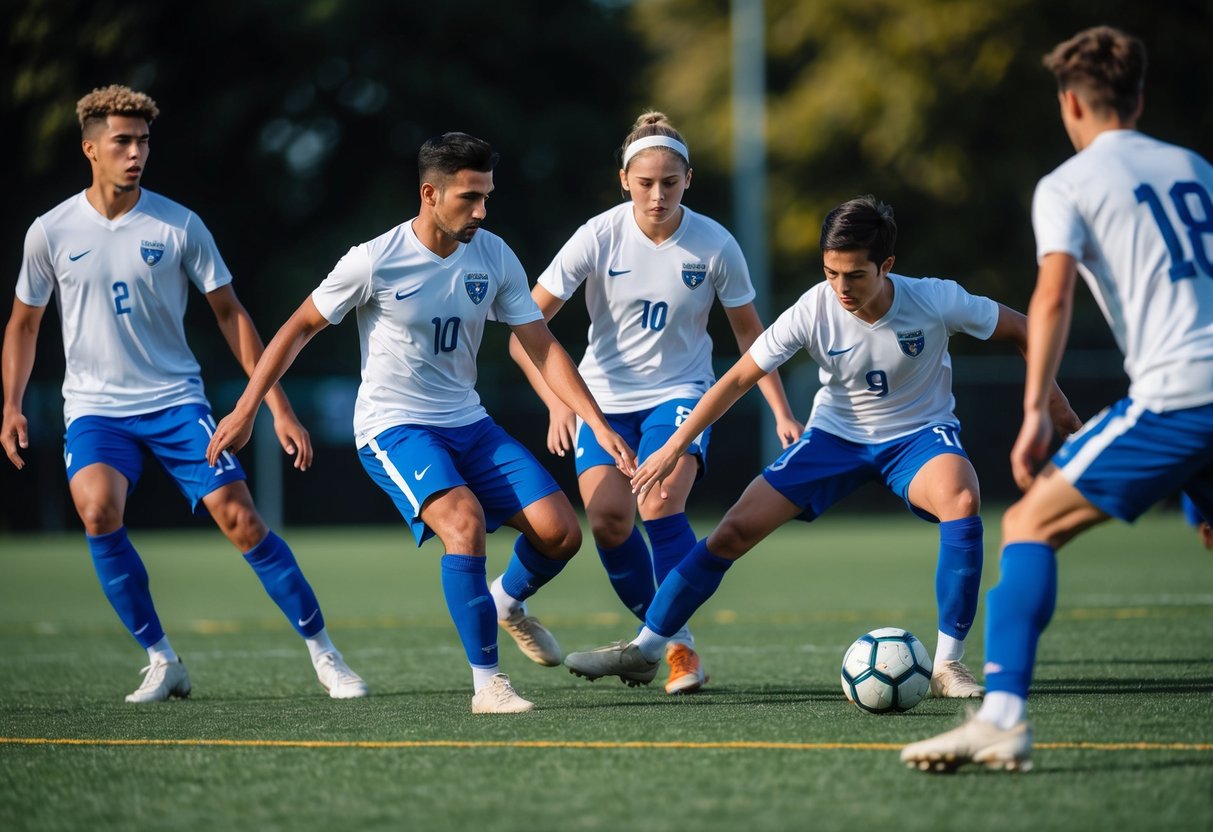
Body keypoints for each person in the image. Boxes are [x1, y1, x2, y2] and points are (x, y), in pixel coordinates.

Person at [563, 195, 1082, 699]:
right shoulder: (814, 307)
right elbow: (739, 376)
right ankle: (650, 647)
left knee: (962, 499)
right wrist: (677, 444)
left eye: (855, 274)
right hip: (834, 438)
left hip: (918, 437)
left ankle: (948, 663)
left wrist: (1051, 402)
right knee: (732, 531)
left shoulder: (935, 298)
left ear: (888, 266)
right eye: (831, 273)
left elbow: (1025, 329)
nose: (842, 288)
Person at [205, 132, 636, 714]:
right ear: (429, 193)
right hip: (394, 427)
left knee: (561, 533)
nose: (481, 210)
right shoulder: (374, 258)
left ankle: (505, 603)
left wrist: (596, 421)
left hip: (470, 423)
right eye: (468, 198)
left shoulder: (494, 254)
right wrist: (248, 407)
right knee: (465, 522)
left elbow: (542, 345)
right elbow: (298, 327)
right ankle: (488, 685)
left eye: (487, 196)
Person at [900, 26, 1213, 773]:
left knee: (1029, 521)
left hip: (1181, 393)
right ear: (1136, 97)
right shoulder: (1195, 165)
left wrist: (1036, 407)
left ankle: (1001, 718)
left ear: (1070, 103)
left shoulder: (1068, 182)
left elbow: (1050, 296)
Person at [1, 85, 367, 703]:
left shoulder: (179, 225)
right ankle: (161, 658)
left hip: (177, 403)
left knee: (242, 519)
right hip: (95, 410)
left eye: (143, 141)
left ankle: (325, 653)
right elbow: (24, 323)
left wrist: (275, 405)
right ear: (91, 148)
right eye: (122, 141)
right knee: (96, 510)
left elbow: (231, 315)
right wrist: (10, 404)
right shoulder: (50, 232)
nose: (136, 152)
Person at [509, 112, 802, 695]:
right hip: (601, 401)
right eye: (646, 183)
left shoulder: (716, 243)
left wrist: (781, 409)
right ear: (624, 180)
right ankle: (661, 642)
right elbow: (525, 329)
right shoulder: (597, 236)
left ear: (688, 179)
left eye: (670, 182)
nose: (658, 194)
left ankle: (679, 653)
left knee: (661, 503)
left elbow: (752, 338)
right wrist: (557, 402)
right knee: (609, 521)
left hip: (682, 396)